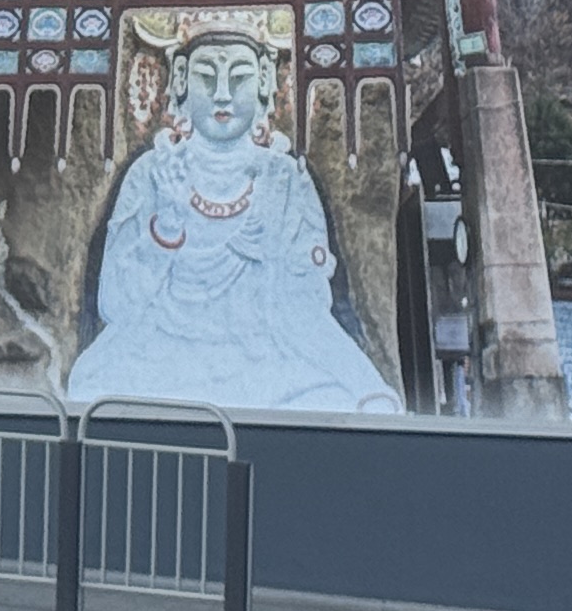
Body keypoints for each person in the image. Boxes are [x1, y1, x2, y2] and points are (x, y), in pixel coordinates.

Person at [66, 26, 397, 415]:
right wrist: (167, 226)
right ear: (181, 81)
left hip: (265, 355)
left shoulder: (287, 179)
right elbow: (117, 305)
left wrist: (361, 381)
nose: (222, 93)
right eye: (206, 77)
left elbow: (306, 310)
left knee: (348, 401)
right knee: (92, 385)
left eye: (239, 77)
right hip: (165, 352)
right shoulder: (153, 171)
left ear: (264, 82)